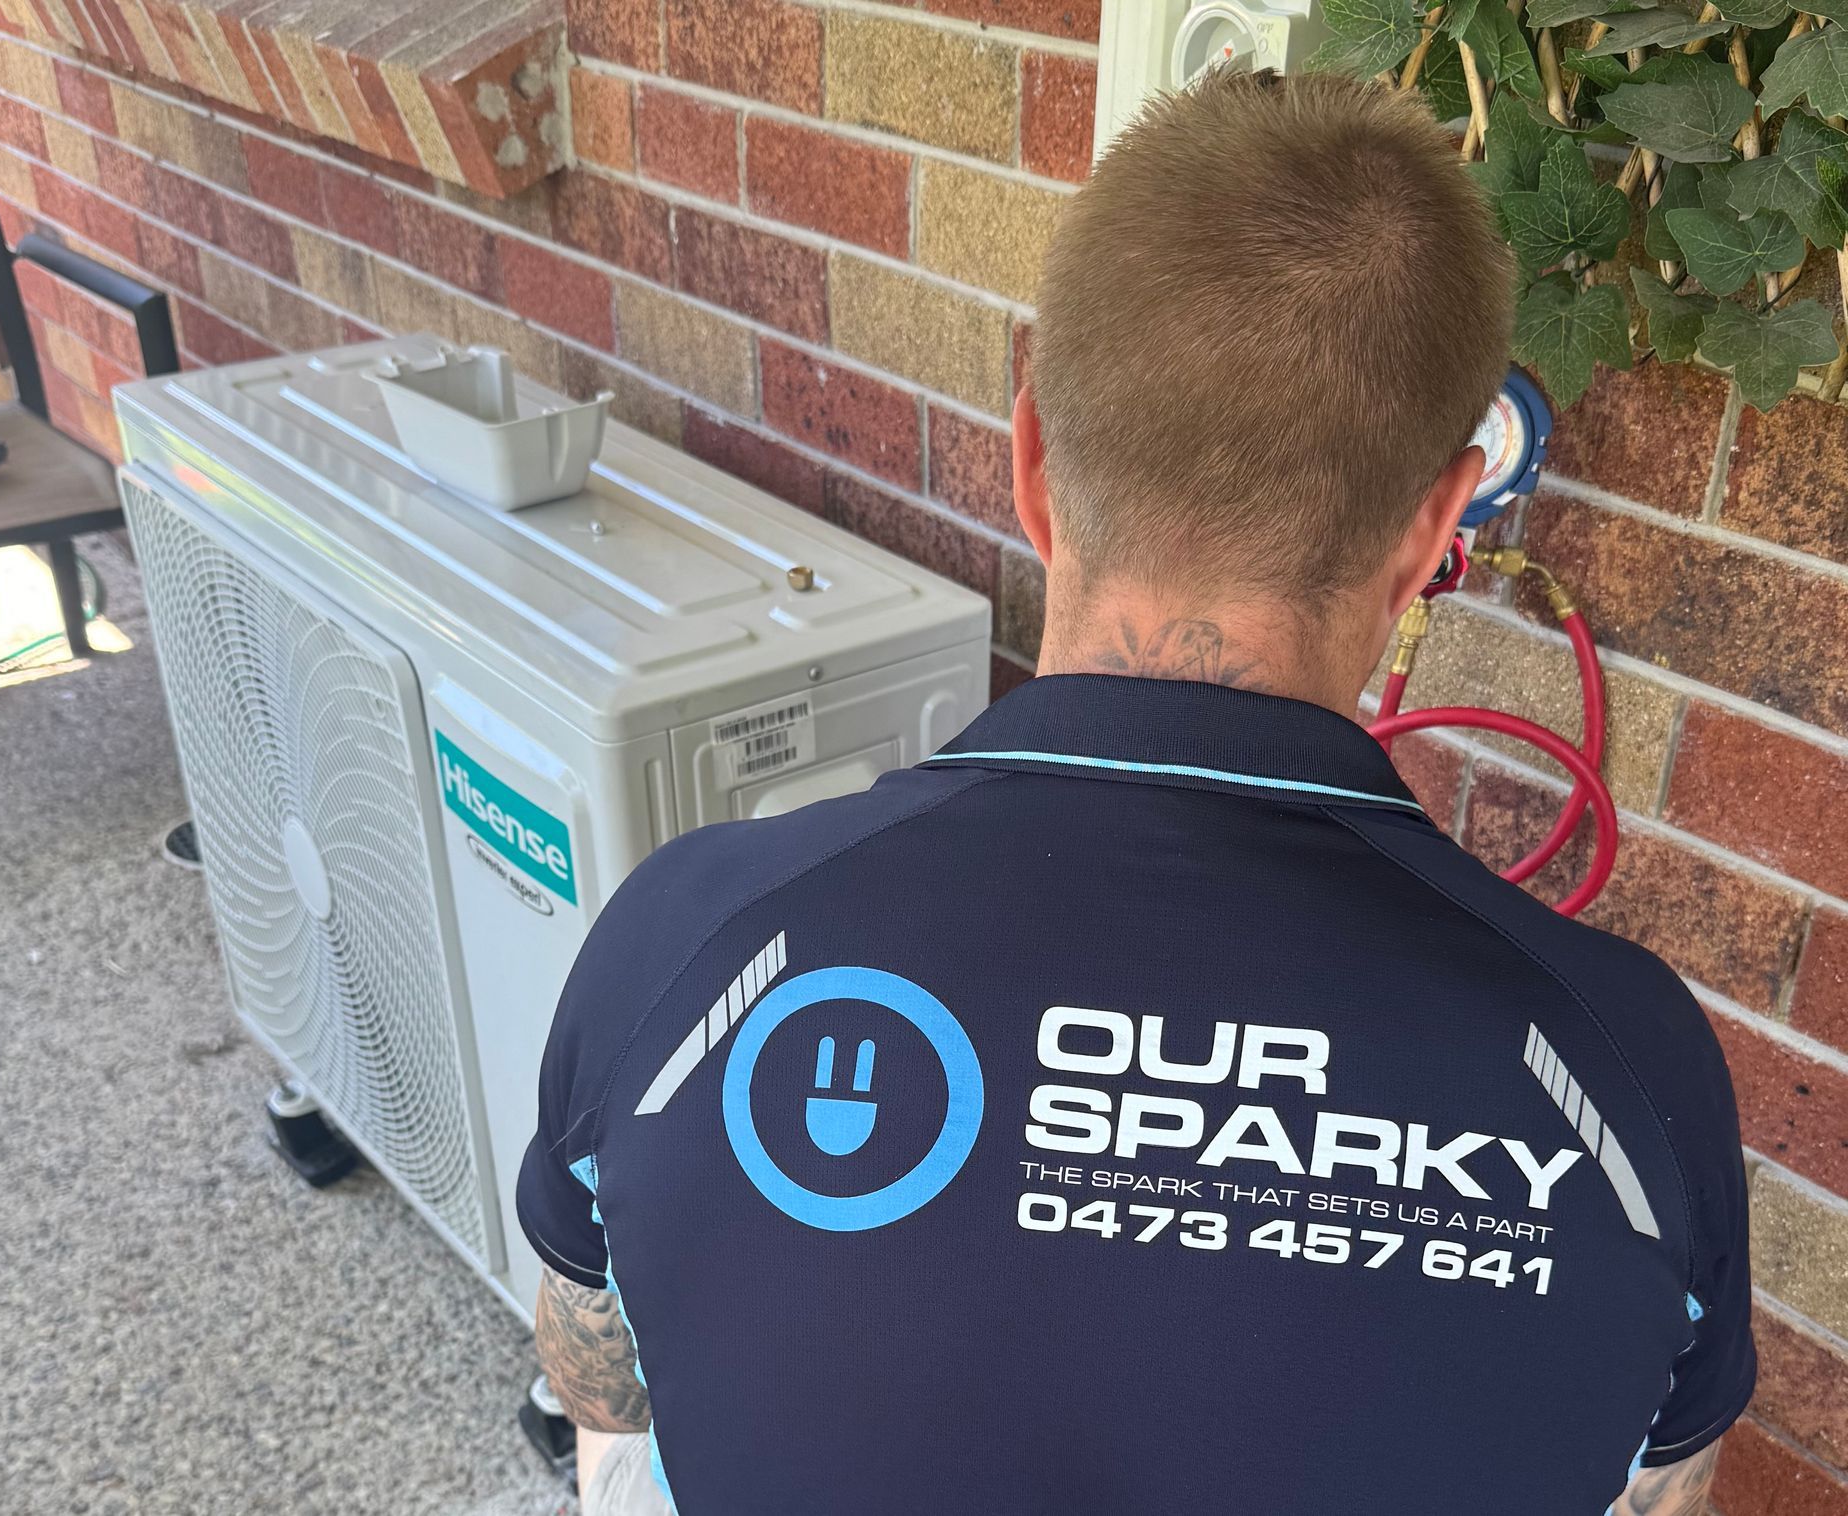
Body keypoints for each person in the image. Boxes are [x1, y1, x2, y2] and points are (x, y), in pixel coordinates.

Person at [517, 71, 1751, 1516]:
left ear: (1032, 460)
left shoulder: (693, 938)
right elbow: (1657, 1490)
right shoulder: (1627, 1074)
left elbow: (596, 1379)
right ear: (1436, 529)